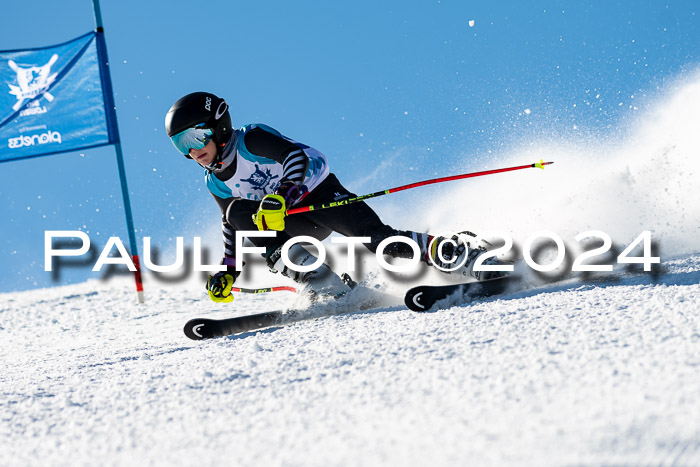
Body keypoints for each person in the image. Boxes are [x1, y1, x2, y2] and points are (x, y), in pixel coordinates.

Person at [165, 92, 502, 303]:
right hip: (291, 224)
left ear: (219, 125)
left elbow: (295, 158)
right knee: (235, 213)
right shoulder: (215, 182)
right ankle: (324, 283)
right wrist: (229, 270)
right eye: (181, 144)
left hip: (319, 196)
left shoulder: (251, 140)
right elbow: (233, 228)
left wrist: (282, 195)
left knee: (379, 240)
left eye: (196, 136)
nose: (193, 151)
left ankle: (460, 254)